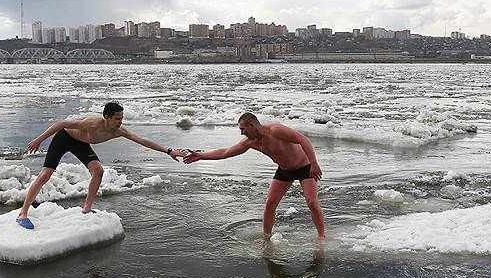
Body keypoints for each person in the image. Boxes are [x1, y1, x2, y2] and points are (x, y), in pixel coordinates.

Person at [16, 101, 185, 229]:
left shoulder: (119, 131)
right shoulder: (92, 123)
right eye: (117, 119)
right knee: (45, 175)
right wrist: (39, 140)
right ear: (106, 118)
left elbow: (142, 140)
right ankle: (23, 214)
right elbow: (61, 124)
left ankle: (87, 209)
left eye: (121, 119)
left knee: (98, 171)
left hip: (81, 144)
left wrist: (169, 151)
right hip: (64, 138)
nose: (120, 122)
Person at [184, 112, 325, 240]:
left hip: (305, 166)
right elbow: (225, 152)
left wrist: (314, 163)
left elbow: (303, 139)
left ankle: (321, 236)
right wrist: (201, 156)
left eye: (243, 129)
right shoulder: (250, 142)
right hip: (284, 170)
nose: (242, 133)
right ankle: (266, 237)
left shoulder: (275, 130)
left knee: (311, 202)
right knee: (270, 203)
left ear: (252, 125)